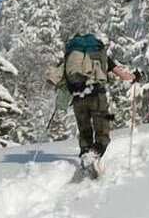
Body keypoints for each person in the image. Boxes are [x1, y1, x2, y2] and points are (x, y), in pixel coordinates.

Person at [48, 33, 138, 173]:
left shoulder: (70, 56)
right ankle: (94, 155)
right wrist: (135, 76)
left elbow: (60, 79)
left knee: (84, 131)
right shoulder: (99, 54)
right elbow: (123, 75)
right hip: (96, 95)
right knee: (102, 131)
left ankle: (86, 156)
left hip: (78, 98)